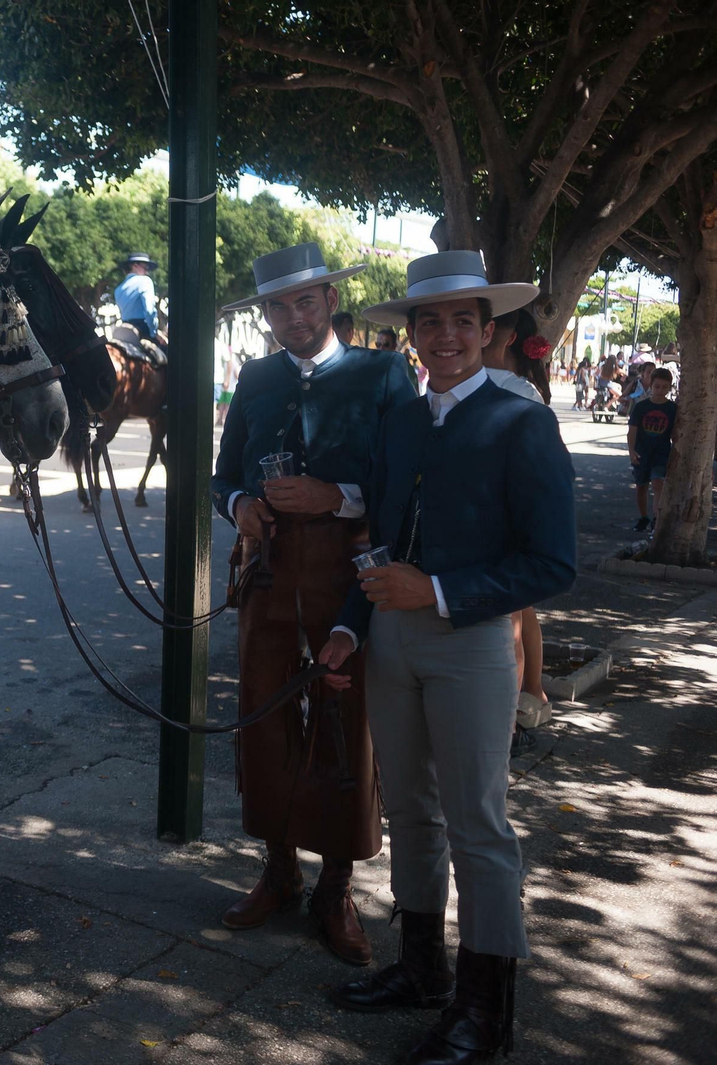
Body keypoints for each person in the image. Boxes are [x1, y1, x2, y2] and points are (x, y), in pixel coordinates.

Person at [318, 250, 576, 1064]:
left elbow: (552, 562)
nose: (446, 334)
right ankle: (421, 967)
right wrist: (351, 625)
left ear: (489, 330)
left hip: (470, 642)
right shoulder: (399, 421)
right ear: (415, 334)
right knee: (412, 810)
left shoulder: (521, 421)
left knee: (479, 825)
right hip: (392, 639)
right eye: (431, 320)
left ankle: (486, 1011)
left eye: (463, 319)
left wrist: (432, 590)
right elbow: (380, 542)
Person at [212, 243, 418, 967]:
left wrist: (338, 496)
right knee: (263, 716)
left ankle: (336, 885)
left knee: (344, 720)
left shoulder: (382, 372)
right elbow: (221, 475)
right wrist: (239, 504)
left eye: (305, 301)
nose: (291, 316)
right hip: (267, 572)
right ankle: (278, 868)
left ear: (332, 301)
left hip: (345, 572)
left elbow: (403, 484)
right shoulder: (256, 376)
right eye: (276, 304)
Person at [480, 307, 555, 749]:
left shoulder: (517, 390)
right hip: (504, 516)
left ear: (502, 336)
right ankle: (531, 695)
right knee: (521, 612)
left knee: (508, 617)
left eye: (486, 325)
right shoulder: (516, 386)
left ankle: (507, 715)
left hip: (506, 517)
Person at [628, 367, 677, 532]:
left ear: (670, 387)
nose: (660, 390)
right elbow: (632, 431)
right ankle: (643, 517)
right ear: (651, 385)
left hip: (661, 453)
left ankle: (657, 518)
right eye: (657, 386)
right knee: (641, 486)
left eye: (664, 387)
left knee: (658, 483)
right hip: (642, 452)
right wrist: (631, 451)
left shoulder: (673, 409)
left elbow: (676, 434)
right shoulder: (641, 407)